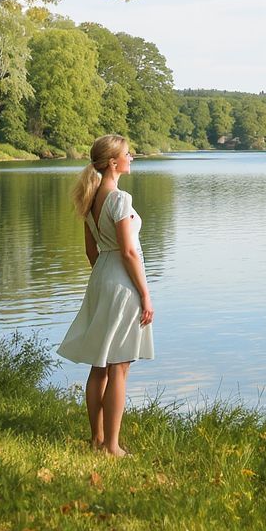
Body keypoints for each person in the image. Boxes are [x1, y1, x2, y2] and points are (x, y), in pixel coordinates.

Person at [57, 134, 155, 457]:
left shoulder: (90, 198)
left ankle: (97, 439)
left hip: (101, 277)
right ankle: (112, 446)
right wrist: (144, 293)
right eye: (128, 154)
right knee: (118, 365)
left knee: (100, 364)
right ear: (114, 163)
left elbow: (90, 251)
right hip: (122, 281)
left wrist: (103, 275)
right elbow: (128, 251)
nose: (132, 158)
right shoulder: (119, 199)